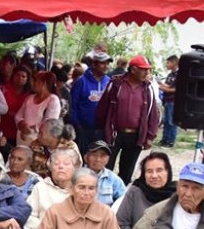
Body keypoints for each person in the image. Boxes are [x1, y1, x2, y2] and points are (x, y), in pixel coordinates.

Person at [96, 55, 161, 184]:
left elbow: (154, 115)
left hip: (135, 136)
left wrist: (149, 137)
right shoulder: (116, 84)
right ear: (133, 70)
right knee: (106, 168)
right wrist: (102, 129)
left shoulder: (148, 89)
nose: (147, 72)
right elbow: (103, 107)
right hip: (114, 134)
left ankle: (120, 199)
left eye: (148, 70)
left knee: (127, 172)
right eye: (143, 69)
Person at [26, 148, 81, 229]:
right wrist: (48, 228)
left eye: (66, 164)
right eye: (56, 163)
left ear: (76, 168)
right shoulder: (41, 187)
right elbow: (28, 216)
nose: (61, 167)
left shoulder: (82, 190)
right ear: (50, 168)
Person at [71, 51, 112, 153]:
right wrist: (77, 124)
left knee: (97, 158)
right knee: (84, 156)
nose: (106, 66)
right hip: (83, 128)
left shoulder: (109, 81)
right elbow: (73, 105)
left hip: (101, 130)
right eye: (103, 63)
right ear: (94, 64)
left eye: (108, 63)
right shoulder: (81, 81)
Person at [15, 71, 62, 146]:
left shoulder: (53, 99)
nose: (33, 83)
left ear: (43, 83)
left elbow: (49, 122)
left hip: (39, 141)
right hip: (22, 139)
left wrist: (29, 129)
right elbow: (18, 115)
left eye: (36, 80)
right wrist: (23, 125)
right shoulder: (30, 98)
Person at [84, 140, 125, 205]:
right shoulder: (76, 176)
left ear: (108, 159)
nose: (98, 159)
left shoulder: (114, 179)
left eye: (102, 156)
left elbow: (122, 202)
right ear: (86, 157)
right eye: (94, 155)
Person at [0, 65, 32, 145]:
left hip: (19, 133)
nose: (20, 78)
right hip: (2, 130)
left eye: (23, 76)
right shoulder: (3, 89)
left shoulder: (30, 95)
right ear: (13, 76)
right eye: (17, 75)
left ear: (27, 79)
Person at [159, 55, 179, 147]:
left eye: (168, 62)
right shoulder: (170, 74)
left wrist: (163, 88)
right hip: (167, 100)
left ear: (174, 63)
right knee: (166, 121)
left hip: (174, 101)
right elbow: (168, 85)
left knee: (171, 121)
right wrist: (160, 84)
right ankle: (165, 139)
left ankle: (171, 141)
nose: (167, 64)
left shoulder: (179, 74)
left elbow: (175, 89)